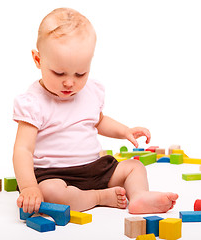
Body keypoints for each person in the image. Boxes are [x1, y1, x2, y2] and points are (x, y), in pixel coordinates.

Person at [12, 8, 178, 214]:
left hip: (94, 168)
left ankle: (139, 196)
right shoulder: (34, 102)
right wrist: (29, 187)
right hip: (53, 174)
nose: (70, 82)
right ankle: (99, 197)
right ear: (38, 60)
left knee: (134, 168)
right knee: (51, 193)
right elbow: (23, 149)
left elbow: (99, 122)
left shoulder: (90, 92)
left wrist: (124, 131)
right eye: (59, 72)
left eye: (80, 73)